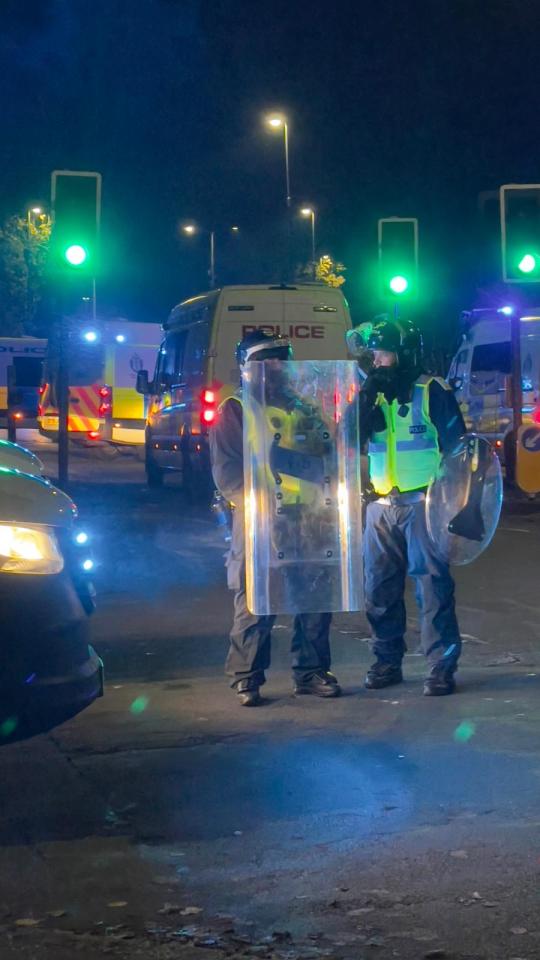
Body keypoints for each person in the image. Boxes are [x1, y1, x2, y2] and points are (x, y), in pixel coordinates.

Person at [209, 330, 341, 706]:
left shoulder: (302, 406)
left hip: (309, 517)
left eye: (281, 357)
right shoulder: (235, 409)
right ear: (248, 366)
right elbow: (227, 472)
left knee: (314, 596)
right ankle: (246, 677)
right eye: (266, 359)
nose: (276, 365)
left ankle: (311, 672)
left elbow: (326, 455)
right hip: (261, 520)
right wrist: (257, 506)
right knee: (255, 600)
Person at [357, 317, 466, 696]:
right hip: (380, 505)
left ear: (402, 352)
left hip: (424, 503)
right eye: (373, 351)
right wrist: (363, 401)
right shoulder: (373, 391)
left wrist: (456, 505)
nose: (376, 358)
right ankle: (386, 662)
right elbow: (348, 441)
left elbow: (459, 450)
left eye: (382, 351)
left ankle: (440, 666)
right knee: (378, 589)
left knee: (432, 587)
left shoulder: (431, 389)